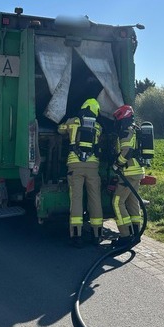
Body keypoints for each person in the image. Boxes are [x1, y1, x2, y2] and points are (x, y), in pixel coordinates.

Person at [58, 99, 103, 247]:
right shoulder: (98, 127)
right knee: (95, 199)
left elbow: (60, 129)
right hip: (93, 166)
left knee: (76, 199)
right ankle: (97, 234)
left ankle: (76, 235)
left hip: (75, 166)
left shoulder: (73, 122)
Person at [111, 105, 145, 247]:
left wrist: (117, 165)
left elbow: (127, 152)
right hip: (138, 171)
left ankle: (125, 235)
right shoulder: (135, 129)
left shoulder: (125, 131)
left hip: (129, 172)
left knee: (117, 203)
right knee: (132, 201)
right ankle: (136, 233)